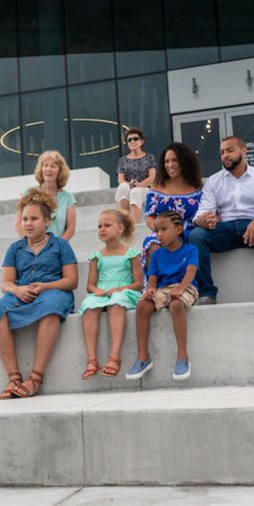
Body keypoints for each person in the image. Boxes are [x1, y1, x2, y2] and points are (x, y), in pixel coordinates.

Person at [0, 189, 79, 399]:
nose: (28, 223)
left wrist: (46, 287)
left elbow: (72, 281)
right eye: (25, 218)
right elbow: (6, 283)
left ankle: (35, 379)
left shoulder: (61, 245)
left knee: (50, 309)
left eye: (34, 219)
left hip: (54, 291)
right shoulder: (15, 248)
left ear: (47, 221)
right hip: (22, 293)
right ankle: (14, 378)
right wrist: (17, 290)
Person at [189, 135, 254, 304]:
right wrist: (201, 220)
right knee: (196, 235)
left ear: (243, 151)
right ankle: (207, 293)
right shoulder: (214, 181)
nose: (225, 155)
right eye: (222, 152)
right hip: (225, 230)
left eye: (230, 150)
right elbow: (204, 210)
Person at [127, 211, 199, 381]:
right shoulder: (158, 254)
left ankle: (182, 357)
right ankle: (143, 357)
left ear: (179, 229)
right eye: (157, 230)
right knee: (142, 305)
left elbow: (191, 271)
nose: (159, 234)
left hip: (186, 287)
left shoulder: (190, 249)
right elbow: (152, 278)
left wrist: (181, 288)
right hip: (163, 289)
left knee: (175, 305)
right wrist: (151, 289)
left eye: (164, 229)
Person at [79, 209, 143, 380]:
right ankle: (92, 359)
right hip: (103, 293)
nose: (102, 229)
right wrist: (96, 290)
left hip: (124, 292)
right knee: (89, 305)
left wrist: (120, 289)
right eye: (99, 226)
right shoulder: (96, 257)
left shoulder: (131, 255)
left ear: (120, 228)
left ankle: (114, 356)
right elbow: (90, 285)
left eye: (107, 225)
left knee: (116, 302)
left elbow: (138, 284)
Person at [141, 142, 204, 265]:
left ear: (184, 161)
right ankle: (156, 284)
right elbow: (149, 217)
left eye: (174, 160)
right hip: (163, 232)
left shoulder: (198, 189)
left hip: (189, 233)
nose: (170, 165)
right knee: (152, 242)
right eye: (166, 161)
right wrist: (165, 232)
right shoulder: (156, 189)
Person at [14, 150, 76, 241]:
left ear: (60, 171)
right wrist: (29, 244)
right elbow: (18, 223)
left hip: (56, 251)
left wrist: (57, 246)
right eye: (45, 165)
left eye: (53, 166)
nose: (48, 169)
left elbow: (71, 228)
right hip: (31, 249)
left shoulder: (68, 198)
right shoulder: (27, 194)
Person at [115, 127, 156, 225]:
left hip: (145, 189)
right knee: (122, 187)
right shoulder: (122, 160)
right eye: (129, 140)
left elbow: (152, 177)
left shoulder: (149, 157)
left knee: (135, 192)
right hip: (130, 187)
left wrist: (140, 185)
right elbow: (120, 179)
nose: (132, 141)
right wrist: (130, 184)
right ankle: (124, 221)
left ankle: (133, 225)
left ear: (141, 141)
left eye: (135, 139)